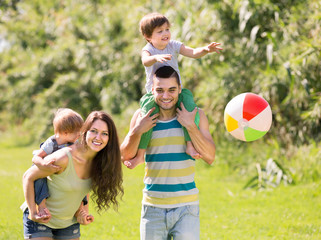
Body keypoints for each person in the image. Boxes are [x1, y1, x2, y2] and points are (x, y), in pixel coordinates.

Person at [120, 66, 216, 240]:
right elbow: (125, 156)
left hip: (186, 207)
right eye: (160, 90)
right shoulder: (142, 115)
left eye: (172, 90)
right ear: (152, 90)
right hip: (152, 207)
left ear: (180, 89)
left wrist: (190, 126)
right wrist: (138, 130)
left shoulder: (196, 115)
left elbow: (210, 156)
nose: (165, 96)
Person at [124, 12, 221, 169]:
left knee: (189, 107)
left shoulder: (173, 45)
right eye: (160, 31)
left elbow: (192, 53)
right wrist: (155, 58)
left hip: (176, 90)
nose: (165, 33)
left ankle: (190, 145)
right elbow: (145, 61)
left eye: (167, 29)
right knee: (148, 117)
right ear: (148, 36)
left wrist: (205, 49)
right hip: (153, 94)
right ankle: (141, 155)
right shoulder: (148, 49)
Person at [22, 111, 123, 239]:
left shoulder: (100, 163)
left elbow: (82, 188)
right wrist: (33, 212)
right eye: (94, 131)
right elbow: (28, 176)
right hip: (41, 219)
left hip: (69, 223)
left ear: (110, 139)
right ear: (84, 132)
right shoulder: (63, 157)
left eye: (104, 133)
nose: (98, 137)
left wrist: (83, 213)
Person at [20, 108, 84, 222]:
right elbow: (36, 157)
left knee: (81, 181)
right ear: (65, 132)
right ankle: (42, 205)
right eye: (77, 132)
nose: (79, 135)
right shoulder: (52, 143)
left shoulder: (74, 142)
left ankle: (81, 209)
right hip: (44, 170)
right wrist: (43, 164)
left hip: (63, 171)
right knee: (40, 182)